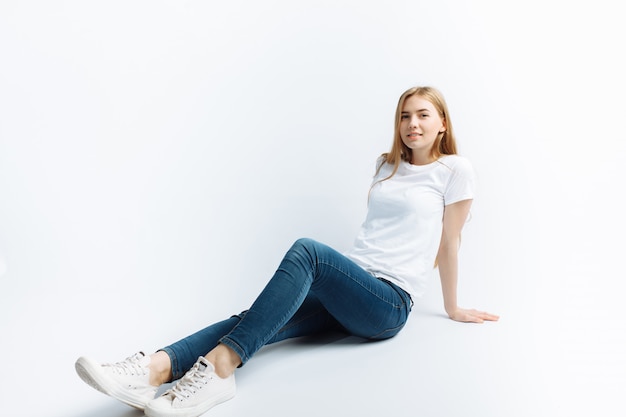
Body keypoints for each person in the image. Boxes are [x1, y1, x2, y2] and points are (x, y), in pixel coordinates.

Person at [75, 86, 499, 417]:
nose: (412, 124)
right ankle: (155, 369)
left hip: (387, 304)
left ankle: (221, 370)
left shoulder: (455, 170)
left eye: (423, 115)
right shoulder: (385, 164)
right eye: (405, 116)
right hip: (350, 284)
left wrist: (453, 306)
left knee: (308, 253)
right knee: (253, 321)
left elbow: (449, 241)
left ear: (442, 122)